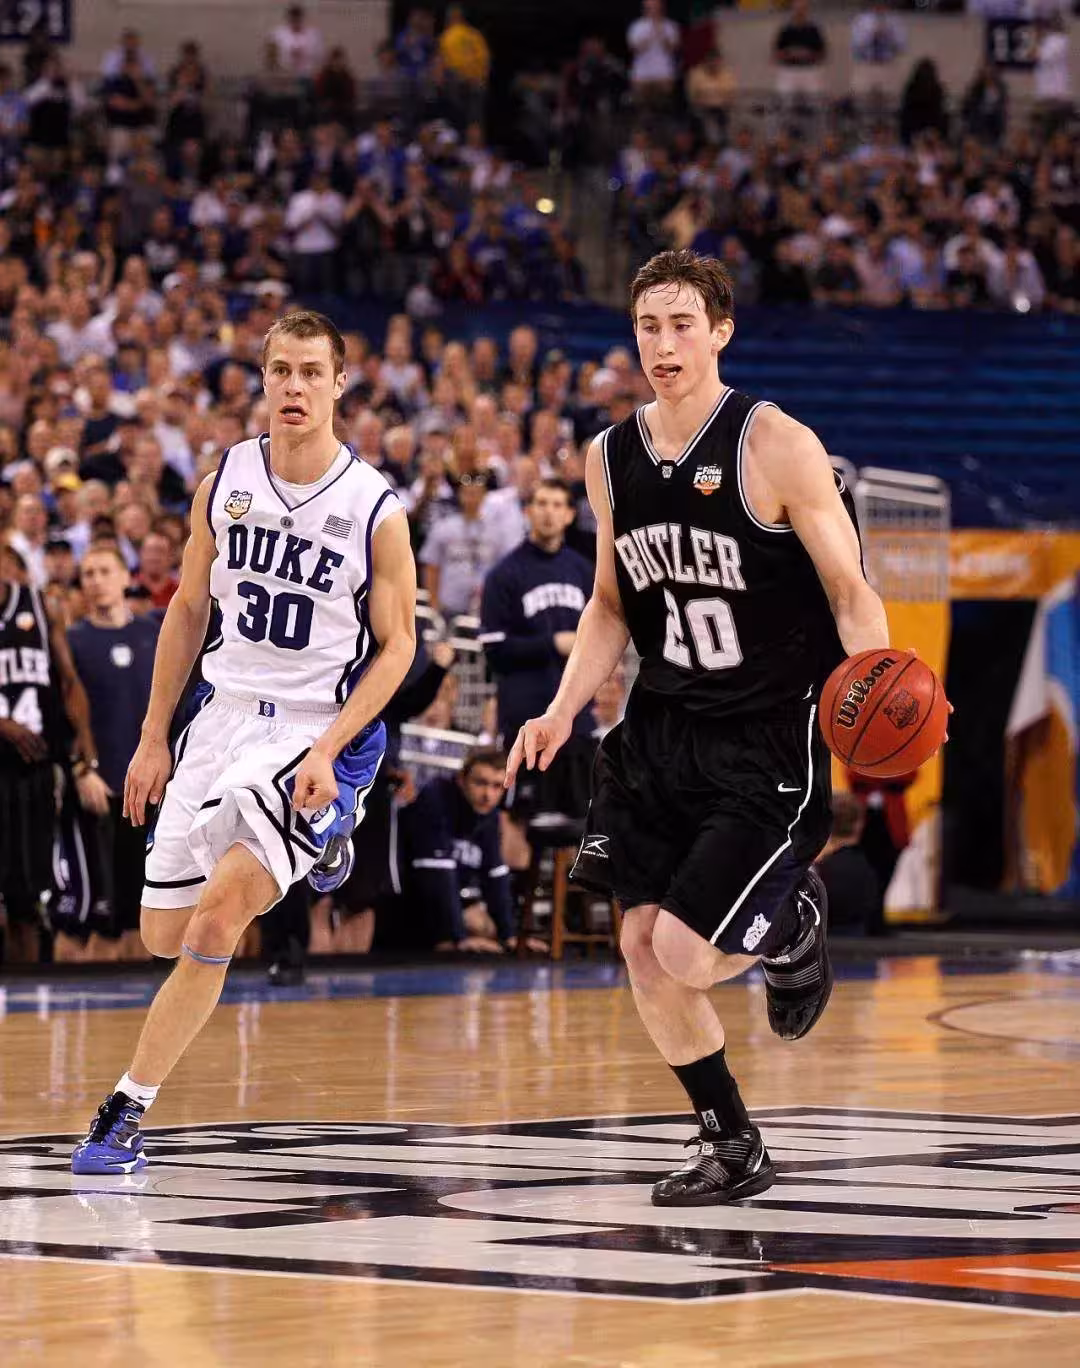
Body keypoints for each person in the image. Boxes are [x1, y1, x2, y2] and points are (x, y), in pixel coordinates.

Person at [506, 248, 894, 1206]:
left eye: (682, 324)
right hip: (659, 733)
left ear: (721, 331)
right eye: (649, 325)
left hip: (764, 738)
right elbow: (609, 605)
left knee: (684, 950)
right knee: (639, 948)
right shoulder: (608, 459)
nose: (664, 343)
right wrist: (560, 709)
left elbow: (849, 590)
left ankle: (795, 922)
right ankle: (731, 1143)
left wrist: (882, 682)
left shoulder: (777, 444)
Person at [71, 310, 417, 1173]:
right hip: (220, 716)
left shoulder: (374, 509)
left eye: (311, 372)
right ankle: (323, 845)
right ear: (262, 381)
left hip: (313, 731)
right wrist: (153, 735)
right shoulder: (224, 479)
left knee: (219, 920)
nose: (295, 387)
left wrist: (330, 749)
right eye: (281, 371)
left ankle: (125, 1110)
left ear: (340, 384)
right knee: (162, 932)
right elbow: (189, 608)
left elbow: (399, 647)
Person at [0, 538, 102, 963]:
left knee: (28, 891)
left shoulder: (41, 607)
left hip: (37, 766)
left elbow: (70, 681)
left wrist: (86, 753)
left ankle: (27, 985)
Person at [67, 543, 162, 960]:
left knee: (150, 910)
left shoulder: (154, 634)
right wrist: (81, 769)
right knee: (102, 917)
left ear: (126, 577)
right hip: (100, 790)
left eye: (105, 571)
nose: (96, 581)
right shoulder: (73, 641)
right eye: (88, 574)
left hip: (155, 789)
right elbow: (64, 713)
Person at [401, 746, 514, 952]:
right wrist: (457, 937)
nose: (488, 795)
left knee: (485, 927)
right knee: (455, 940)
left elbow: (495, 875)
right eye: (480, 783)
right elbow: (437, 873)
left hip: (450, 895)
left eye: (497, 786)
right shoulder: (436, 797)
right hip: (410, 899)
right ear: (461, 779)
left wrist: (510, 937)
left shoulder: (489, 815)